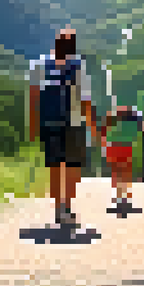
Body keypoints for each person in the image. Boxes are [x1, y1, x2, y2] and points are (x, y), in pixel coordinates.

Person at [28, 28, 100, 228]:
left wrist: (33, 126)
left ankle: (58, 207)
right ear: (74, 48)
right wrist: (93, 127)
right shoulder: (78, 67)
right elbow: (86, 100)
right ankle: (66, 207)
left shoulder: (39, 65)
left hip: (49, 123)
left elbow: (33, 99)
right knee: (72, 168)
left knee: (54, 168)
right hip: (74, 124)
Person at [100, 104, 144, 213]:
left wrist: (104, 144)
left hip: (114, 147)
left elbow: (103, 130)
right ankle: (124, 200)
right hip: (126, 147)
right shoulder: (135, 116)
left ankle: (121, 200)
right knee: (125, 175)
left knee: (118, 175)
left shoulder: (113, 115)